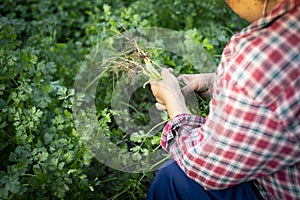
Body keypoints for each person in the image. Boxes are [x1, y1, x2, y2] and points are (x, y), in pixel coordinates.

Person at [147, 0, 300, 199]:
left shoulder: (263, 54)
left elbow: (206, 165)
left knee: (174, 177)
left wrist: (174, 102)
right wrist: (218, 82)